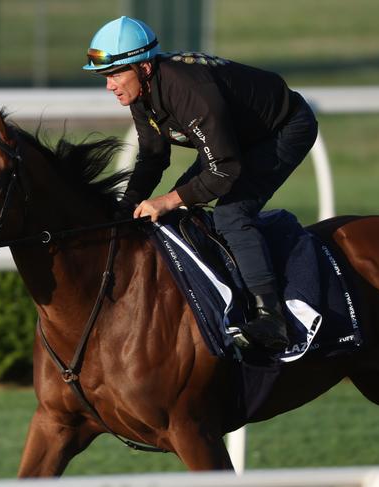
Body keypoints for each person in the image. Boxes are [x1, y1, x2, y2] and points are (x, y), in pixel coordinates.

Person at [83, 16, 318, 352]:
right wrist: (125, 206)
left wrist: (165, 200)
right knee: (177, 207)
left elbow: (224, 170)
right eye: (106, 76)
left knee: (231, 214)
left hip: (284, 128)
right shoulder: (142, 94)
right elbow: (152, 157)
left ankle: (273, 318)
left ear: (145, 68)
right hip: (238, 139)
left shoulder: (187, 90)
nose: (110, 86)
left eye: (116, 74)